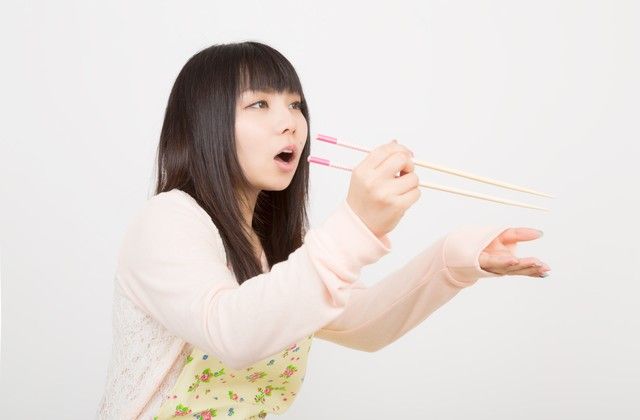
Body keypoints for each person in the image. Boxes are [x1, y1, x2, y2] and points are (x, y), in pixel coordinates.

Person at [96, 41, 551, 419]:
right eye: (259, 104)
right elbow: (231, 332)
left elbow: (365, 324)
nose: (290, 122)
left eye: (295, 104)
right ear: (205, 125)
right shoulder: (168, 218)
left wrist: (456, 258)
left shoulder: (265, 244)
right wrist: (357, 224)